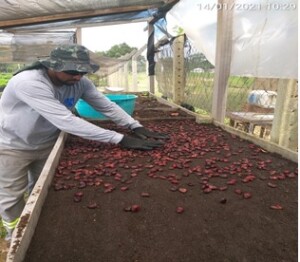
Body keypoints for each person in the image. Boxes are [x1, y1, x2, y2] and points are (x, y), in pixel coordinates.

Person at [0, 44, 168, 242]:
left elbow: (105, 105)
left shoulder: (80, 82)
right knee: (11, 194)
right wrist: (119, 138)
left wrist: (134, 126)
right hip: (12, 144)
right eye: (72, 71)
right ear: (53, 66)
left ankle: (32, 222)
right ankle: (14, 238)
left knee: (39, 187)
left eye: (82, 71)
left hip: (48, 142)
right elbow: (66, 120)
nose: (78, 77)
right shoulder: (29, 82)